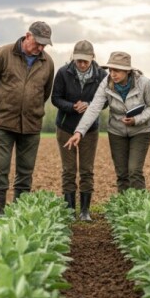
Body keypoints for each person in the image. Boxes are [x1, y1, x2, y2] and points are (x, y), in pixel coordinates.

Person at [0, 21, 55, 219]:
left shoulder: (47, 62)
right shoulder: (4, 54)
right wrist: (1, 107)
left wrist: (30, 110)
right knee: (0, 168)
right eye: (38, 42)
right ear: (27, 36)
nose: (40, 47)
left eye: (44, 44)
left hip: (31, 125)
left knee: (25, 171)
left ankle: (18, 212)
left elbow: (45, 93)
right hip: (3, 123)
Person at [64, 52, 150, 193]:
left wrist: (136, 120)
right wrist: (79, 131)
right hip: (117, 131)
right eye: (111, 70)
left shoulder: (143, 83)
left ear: (128, 71)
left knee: (134, 171)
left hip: (140, 131)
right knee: (121, 174)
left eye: (117, 70)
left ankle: (140, 210)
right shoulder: (106, 83)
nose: (112, 74)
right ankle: (123, 209)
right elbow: (94, 108)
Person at [51, 40, 106, 221]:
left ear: (93, 58)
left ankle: (84, 211)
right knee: (68, 170)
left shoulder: (102, 75)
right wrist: (72, 106)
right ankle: (69, 211)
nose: (81, 64)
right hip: (66, 127)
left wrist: (89, 105)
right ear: (73, 58)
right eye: (78, 60)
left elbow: (105, 100)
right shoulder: (63, 73)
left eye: (85, 61)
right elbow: (55, 99)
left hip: (90, 130)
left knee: (86, 170)